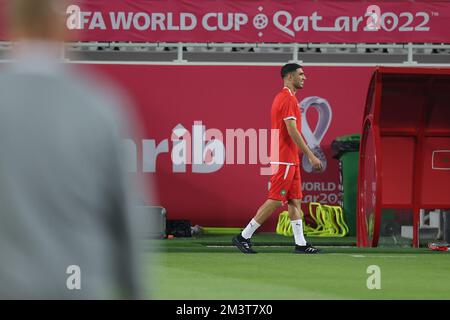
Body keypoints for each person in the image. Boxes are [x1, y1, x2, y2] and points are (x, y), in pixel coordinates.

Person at [0, 0, 145, 298]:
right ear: (66, 26)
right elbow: (124, 216)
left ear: (13, 25)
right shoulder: (99, 105)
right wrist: (135, 289)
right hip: (73, 286)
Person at [233, 63, 322, 254]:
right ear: (289, 77)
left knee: (295, 201)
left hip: (289, 159)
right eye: (300, 74)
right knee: (274, 200)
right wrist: (311, 155)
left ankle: (300, 243)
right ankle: (243, 236)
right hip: (284, 159)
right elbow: (292, 130)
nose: (304, 77)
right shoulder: (287, 99)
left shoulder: (287, 98)